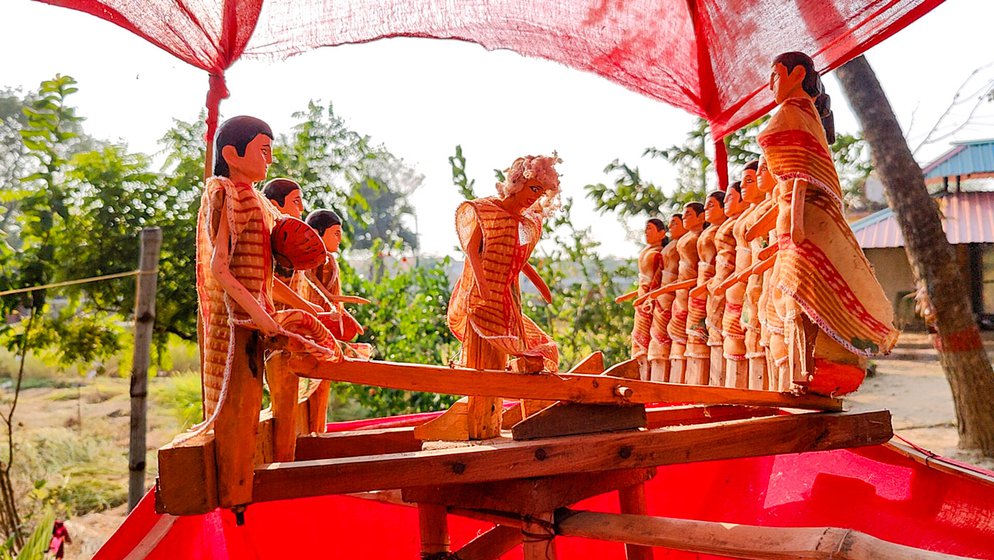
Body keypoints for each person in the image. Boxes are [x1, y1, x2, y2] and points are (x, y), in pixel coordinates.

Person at [195, 115, 341, 502]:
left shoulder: (257, 200)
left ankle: (255, 471)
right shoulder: (225, 192)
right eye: (263, 150)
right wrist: (261, 318)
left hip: (257, 315)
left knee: (306, 344)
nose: (269, 159)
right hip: (237, 322)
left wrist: (316, 311)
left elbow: (266, 280)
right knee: (235, 408)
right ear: (231, 153)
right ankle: (235, 483)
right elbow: (220, 269)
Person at [759, 52, 898, 395]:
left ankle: (808, 370)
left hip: (805, 216)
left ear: (797, 73)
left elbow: (799, 174)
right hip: (802, 214)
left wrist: (793, 225)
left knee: (804, 296)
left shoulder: (793, 112)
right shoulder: (803, 113)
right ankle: (800, 370)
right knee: (796, 296)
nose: (770, 84)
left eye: (775, 75)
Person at [445, 154, 561, 439]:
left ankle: (520, 416)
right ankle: (479, 423)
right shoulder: (487, 211)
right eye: (532, 189)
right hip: (481, 298)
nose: (534, 198)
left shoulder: (524, 222)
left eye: (541, 193)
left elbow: (518, 259)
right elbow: (472, 250)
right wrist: (482, 284)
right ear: (517, 182)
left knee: (533, 349)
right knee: (483, 359)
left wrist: (540, 283)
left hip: (505, 300)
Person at [616, 219, 666, 379]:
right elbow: (642, 284)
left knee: (646, 341)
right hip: (642, 300)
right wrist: (629, 296)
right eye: (646, 229)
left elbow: (657, 283)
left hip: (650, 302)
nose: (646, 232)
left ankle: (647, 376)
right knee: (637, 340)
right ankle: (638, 374)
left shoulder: (659, 253)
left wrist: (645, 298)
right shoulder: (647, 251)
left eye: (650, 229)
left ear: (661, 233)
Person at [685, 191, 726, 385]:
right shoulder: (706, 234)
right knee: (695, 339)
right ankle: (695, 384)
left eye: (712, 205)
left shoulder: (721, 231)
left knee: (713, 337)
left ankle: (711, 385)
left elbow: (725, 266)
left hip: (714, 287)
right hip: (700, 291)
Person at [647, 213, 685, 382]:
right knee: (653, 340)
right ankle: (653, 379)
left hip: (673, 294)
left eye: (675, 223)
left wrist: (666, 289)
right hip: (660, 294)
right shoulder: (669, 248)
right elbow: (657, 276)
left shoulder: (684, 244)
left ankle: (668, 381)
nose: (671, 227)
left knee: (670, 339)